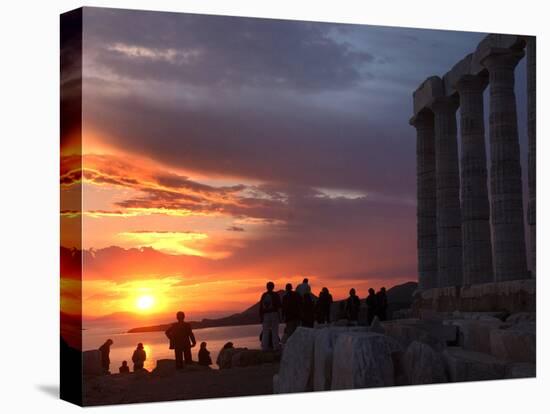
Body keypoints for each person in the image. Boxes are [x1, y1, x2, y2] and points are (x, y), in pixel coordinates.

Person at [259, 281, 281, 351]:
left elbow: (261, 307)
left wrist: (261, 316)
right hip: (274, 314)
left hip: (265, 315)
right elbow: (279, 306)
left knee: (265, 331)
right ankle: (276, 347)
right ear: (273, 287)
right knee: (275, 331)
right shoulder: (275, 295)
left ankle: (264, 347)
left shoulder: (264, 295)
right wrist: (280, 316)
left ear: (267, 287)